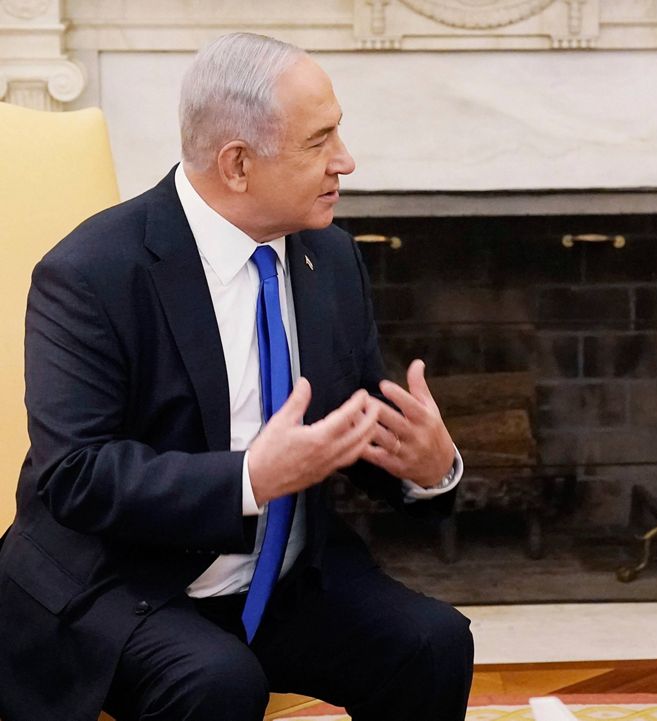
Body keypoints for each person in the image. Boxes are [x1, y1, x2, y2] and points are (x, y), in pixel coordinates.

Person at [0, 32, 473, 721]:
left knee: (435, 643)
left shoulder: (331, 257)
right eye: (319, 142)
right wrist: (250, 477)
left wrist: (427, 467)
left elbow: (352, 425)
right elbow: (76, 474)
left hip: (281, 577)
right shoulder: (92, 273)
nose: (346, 160)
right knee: (218, 682)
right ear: (239, 164)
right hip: (126, 579)